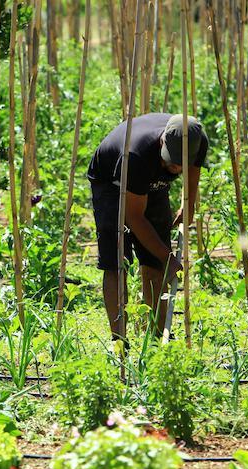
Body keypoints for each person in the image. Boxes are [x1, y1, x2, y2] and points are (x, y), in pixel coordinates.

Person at [87, 113, 208, 340]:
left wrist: (188, 205)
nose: (176, 167)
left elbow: (193, 170)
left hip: (150, 181)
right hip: (112, 184)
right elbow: (134, 217)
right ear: (162, 142)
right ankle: (119, 339)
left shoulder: (196, 140)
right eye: (171, 160)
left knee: (154, 262)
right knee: (116, 261)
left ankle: (156, 335)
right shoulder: (136, 155)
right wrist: (168, 257)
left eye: (181, 162)